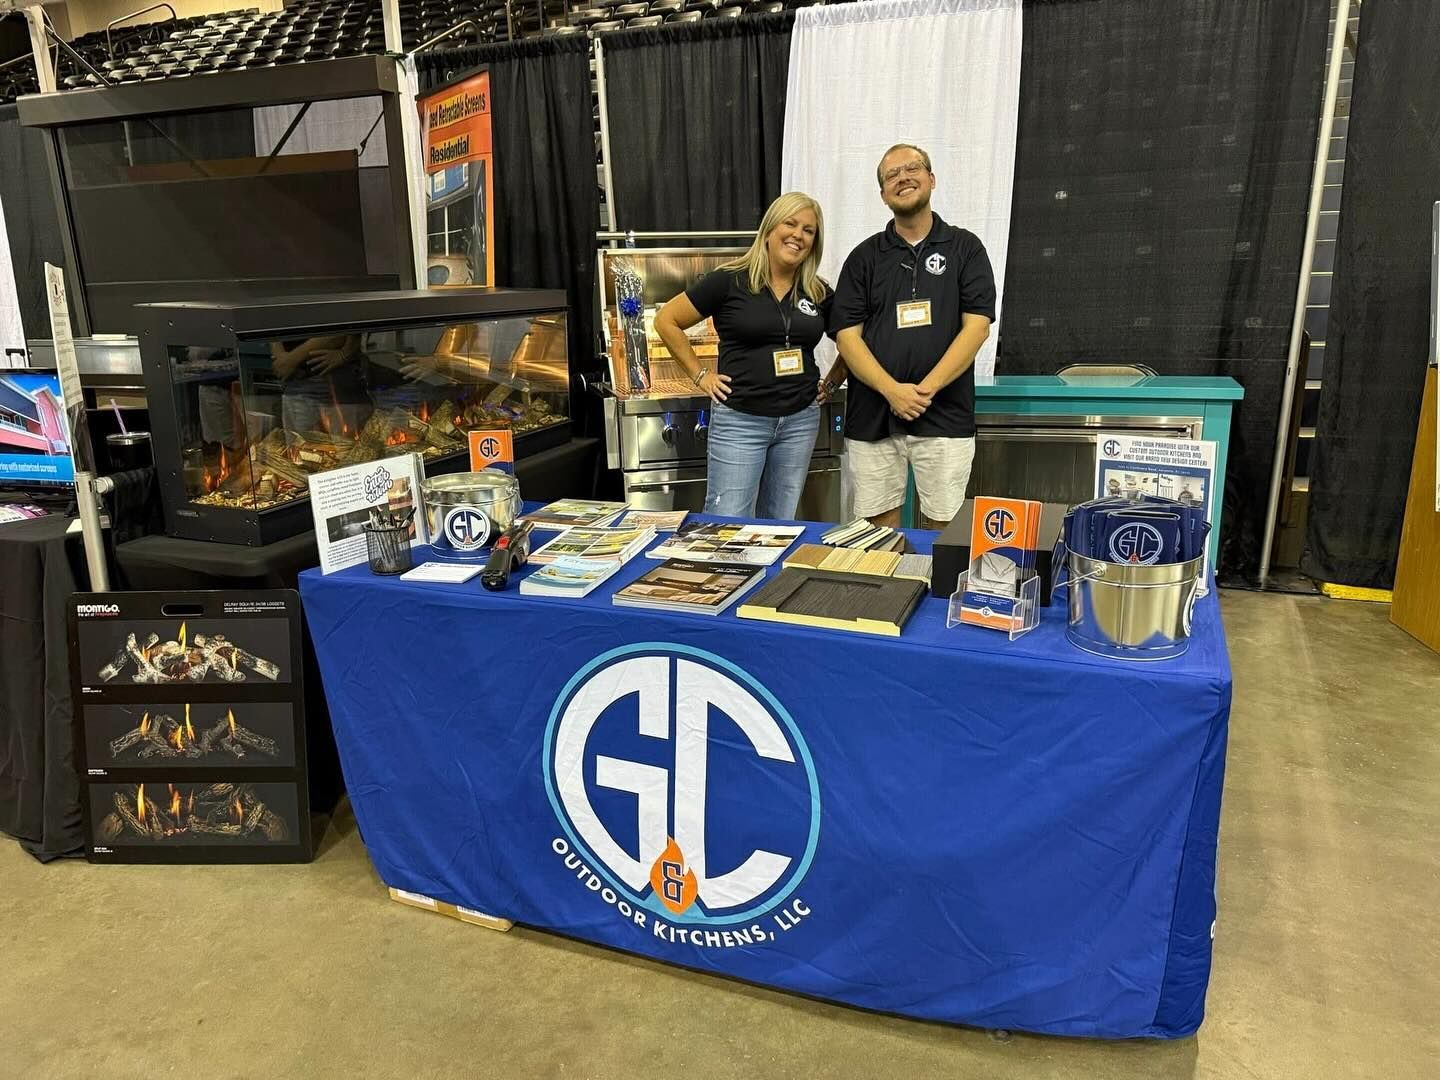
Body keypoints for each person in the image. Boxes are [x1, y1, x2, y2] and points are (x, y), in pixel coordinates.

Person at [825, 144, 997, 529]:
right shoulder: (864, 257)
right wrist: (892, 391)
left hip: (945, 415)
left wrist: (923, 392)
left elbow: (977, 328)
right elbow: (847, 338)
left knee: (945, 529)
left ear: (931, 179)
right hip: (873, 418)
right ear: (883, 194)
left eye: (912, 169)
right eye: (892, 175)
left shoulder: (966, 248)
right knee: (875, 533)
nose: (903, 178)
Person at [654, 192, 832, 519]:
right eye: (790, 224)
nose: (798, 235)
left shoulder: (818, 291)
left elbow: (853, 338)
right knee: (727, 522)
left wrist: (833, 380)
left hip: (800, 421)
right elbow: (667, 320)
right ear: (769, 230)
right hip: (740, 421)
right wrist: (700, 375)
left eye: (809, 230)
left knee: (780, 522)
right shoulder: (729, 280)